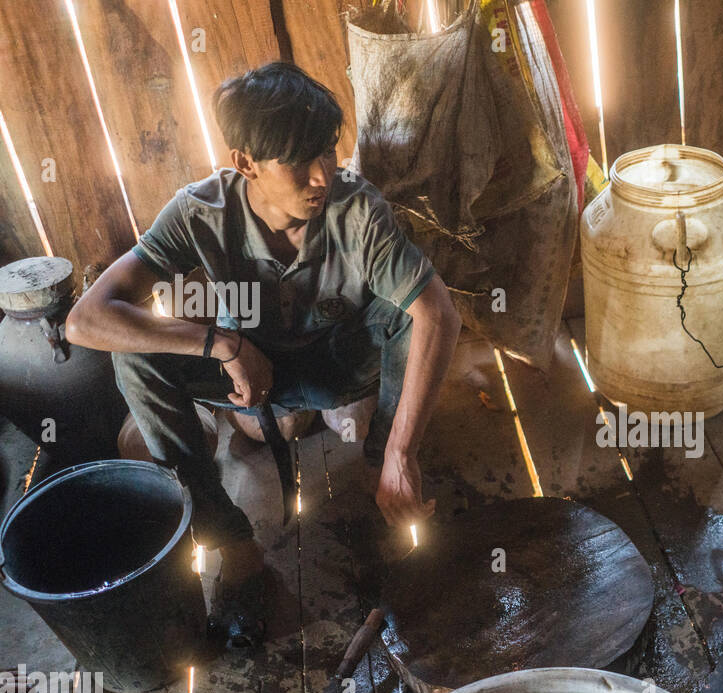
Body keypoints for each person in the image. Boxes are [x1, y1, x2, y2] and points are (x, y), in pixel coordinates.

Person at [66, 62, 461, 644]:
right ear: (245, 162)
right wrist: (219, 342)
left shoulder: (357, 211)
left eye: (327, 152)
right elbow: (84, 320)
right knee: (136, 355)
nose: (322, 175)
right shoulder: (200, 211)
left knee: (408, 311)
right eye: (299, 162)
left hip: (336, 364)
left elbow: (439, 314)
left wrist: (402, 450)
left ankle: (380, 470)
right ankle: (230, 540)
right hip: (252, 373)